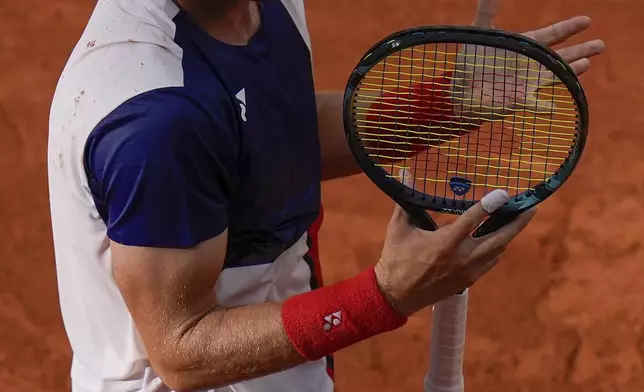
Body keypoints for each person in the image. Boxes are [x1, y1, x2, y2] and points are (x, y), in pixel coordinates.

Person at [47, 0, 605, 391]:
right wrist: (384, 295)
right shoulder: (157, 121)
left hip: (281, 362)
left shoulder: (263, 7)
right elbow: (182, 350)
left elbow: (266, 133)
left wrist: (443, 105)